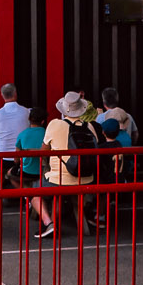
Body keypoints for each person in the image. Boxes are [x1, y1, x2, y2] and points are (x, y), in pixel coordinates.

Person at [31, 92, 98, 239]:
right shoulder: (90, 127)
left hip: (59, 178)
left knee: (35, 194)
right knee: (59, 193)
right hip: (86, 177)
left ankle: (49, 223)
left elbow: (44, 151)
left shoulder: (55, 124)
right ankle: (59, 223)